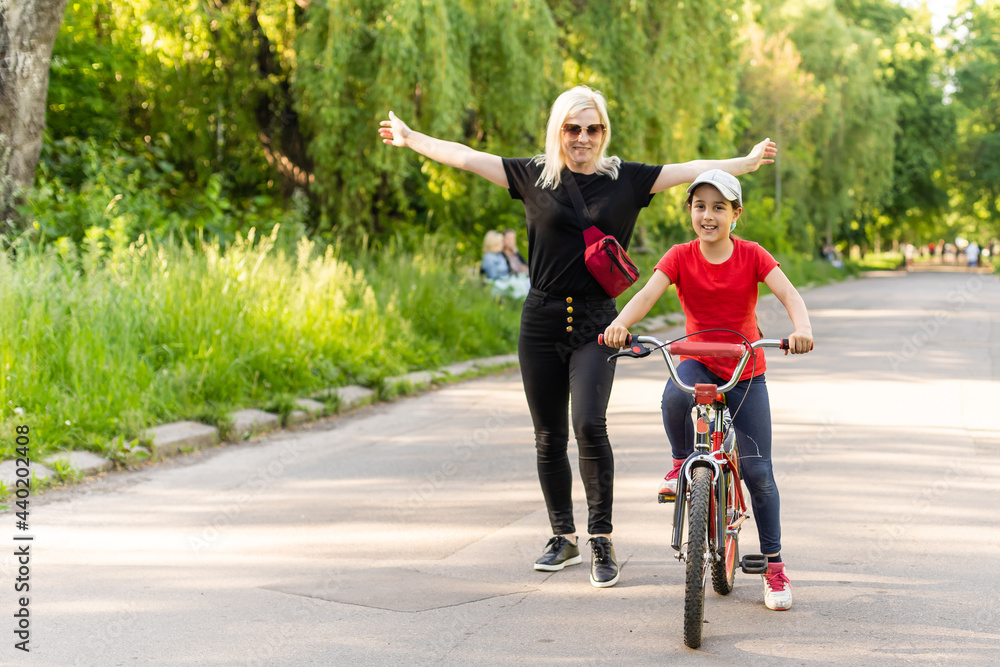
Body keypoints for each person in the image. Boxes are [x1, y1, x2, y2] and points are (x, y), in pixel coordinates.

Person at [379, 85, 776, 588]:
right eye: (573, 128)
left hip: (597, 324)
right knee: (548, 436)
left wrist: (743, 162)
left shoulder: (626, 180)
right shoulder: (533, 175)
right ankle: (562, 536)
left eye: (593, 129)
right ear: (558, 131)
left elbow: (689, 168)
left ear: (604, 132)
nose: (583, 138)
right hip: (540, 320)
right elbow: (465, 156)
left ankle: (601, 539)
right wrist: (413, 139)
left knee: (589, 425)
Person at [602, 170, 812, 610]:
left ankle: (774, 568)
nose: (708, 215)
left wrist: (802, 328)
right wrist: (621, 323)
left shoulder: (752, 255)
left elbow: (789, 294)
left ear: (737, 214)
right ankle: (681, 463)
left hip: (744, 366)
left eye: (719, 207)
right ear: (690, 213)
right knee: (675, 396)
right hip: (697, 357)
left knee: (758, 472)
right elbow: (646, 294)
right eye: (700, 206)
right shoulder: (679, 256)